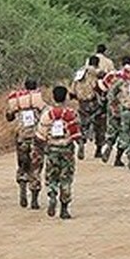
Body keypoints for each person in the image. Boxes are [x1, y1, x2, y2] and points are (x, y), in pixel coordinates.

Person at [35, 86, 81, 219]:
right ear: (66, 97)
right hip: (67, 151)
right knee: (66, 179)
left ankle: (52, 196)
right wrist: (80, 147)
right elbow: (77, 133)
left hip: (52, 150)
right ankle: (64, 209)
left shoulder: (47, 115)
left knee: (51, 178)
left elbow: (40, 136)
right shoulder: (71, 114)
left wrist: (40, 151)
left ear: (53, 97)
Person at [6, 78, 47, 209]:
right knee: (35, 167)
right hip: (36, 139)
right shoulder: (38, 101)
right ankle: (34, 199)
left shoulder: (17, 101)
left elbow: (9, 117)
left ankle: (22, 187)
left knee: (23, 164)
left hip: (21, 138)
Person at [69, 55, 107, 160]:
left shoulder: (79, 72)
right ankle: (98, 149)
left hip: (82, 103)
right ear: (97, 63)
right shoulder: (97, 71)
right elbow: (104, 82)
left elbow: (72, 91)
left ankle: (81, 141)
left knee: (82, 124)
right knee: (99, 126)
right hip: (95, 102)